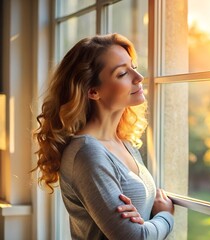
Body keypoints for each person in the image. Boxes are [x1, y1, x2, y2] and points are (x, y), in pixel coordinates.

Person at [33, 33, 174, 239]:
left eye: (133, 67)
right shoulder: (87, 153)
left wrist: (144, 223)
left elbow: (137, 228)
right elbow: (135, 237)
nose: (139, 77)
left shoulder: (123, 143)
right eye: (122, 73)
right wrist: (165, 216)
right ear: (93, 91)